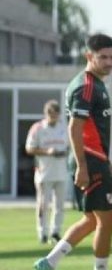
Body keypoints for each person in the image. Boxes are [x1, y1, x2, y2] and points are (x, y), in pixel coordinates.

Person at [33, 34, 112, 270]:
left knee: (92, 220)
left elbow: (91, 130)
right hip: (88, 160)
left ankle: (49, 262)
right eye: (103, 57)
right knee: (107, 219)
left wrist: (105, 161)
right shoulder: (86, 85)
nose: (109, 62)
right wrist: (83, 166)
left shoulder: (95, 84)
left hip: (95, 160)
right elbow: (75, 128)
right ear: (89, 56)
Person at [26, 100, 69, 244]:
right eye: (51, 115)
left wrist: (64, 153)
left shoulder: (64, 127)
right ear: (46, 114)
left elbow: (69, 146)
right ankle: (42, 233)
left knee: (59, 205)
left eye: (56, 115)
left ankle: (55, 232)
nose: (54, 118)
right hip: (44, 172)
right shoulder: (37, 128)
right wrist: (47, 151)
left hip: (61, 172)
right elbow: (29, 149)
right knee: (43, 204)